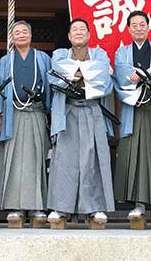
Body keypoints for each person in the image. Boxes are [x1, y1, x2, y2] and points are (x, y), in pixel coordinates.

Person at [46, 18, 115, 226]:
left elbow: (103, 74)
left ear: (89, 34)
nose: (78, 32)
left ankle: (96, 207)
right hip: (67, 110)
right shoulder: (59, 54)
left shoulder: (100, 54)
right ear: (69, 35)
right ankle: (60, 207)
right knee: (63, 160)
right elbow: (57, 72)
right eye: (74, 29)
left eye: (82, 29)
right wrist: (86, 72)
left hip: (91, 110)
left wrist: (74, 72)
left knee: (92, 158)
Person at [112, 10, 151, 222]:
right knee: (135, 155)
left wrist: (140, 74)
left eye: (142, 24)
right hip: (134, 108)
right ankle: (138, 205)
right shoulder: (122, 52)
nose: (139, 28)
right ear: (128, 29)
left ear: (149, 27)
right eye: (134, 25)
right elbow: (123, 74)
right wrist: (147, 75)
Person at [0, 21, 52, 223]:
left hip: (36, 113)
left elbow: (50, 89)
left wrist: (50, 115)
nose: (21, 35)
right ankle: (15, 206)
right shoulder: (5, 61)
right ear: (12, 38)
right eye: (17, 33)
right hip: (13, 114)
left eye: (24, 31)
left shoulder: (43, 58)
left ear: (31, 35)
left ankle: (37, 206)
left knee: (37, 158)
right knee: (13, 158)